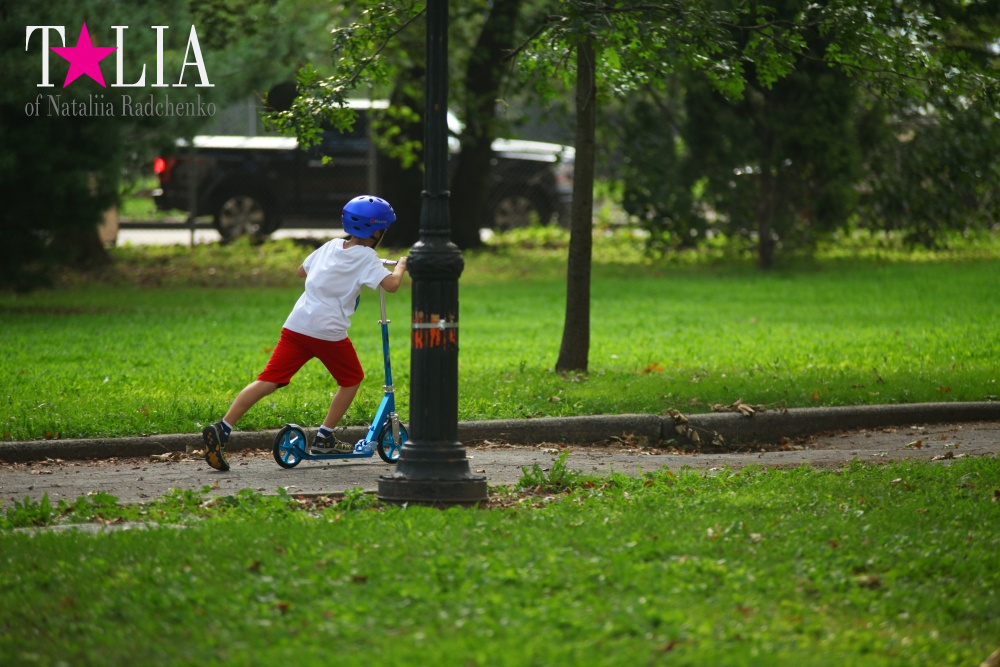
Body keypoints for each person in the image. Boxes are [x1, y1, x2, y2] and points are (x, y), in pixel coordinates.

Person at [202, 195, 408, 471]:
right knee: (352, 379)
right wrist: (402, 265)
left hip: (297, 325)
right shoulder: (367, 257)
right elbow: (392, 285)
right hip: (328, 332)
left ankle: (223, 427)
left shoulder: (331, 246)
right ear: (377, 232)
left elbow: (301, 271)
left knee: (268, 380)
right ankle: (325, 436)